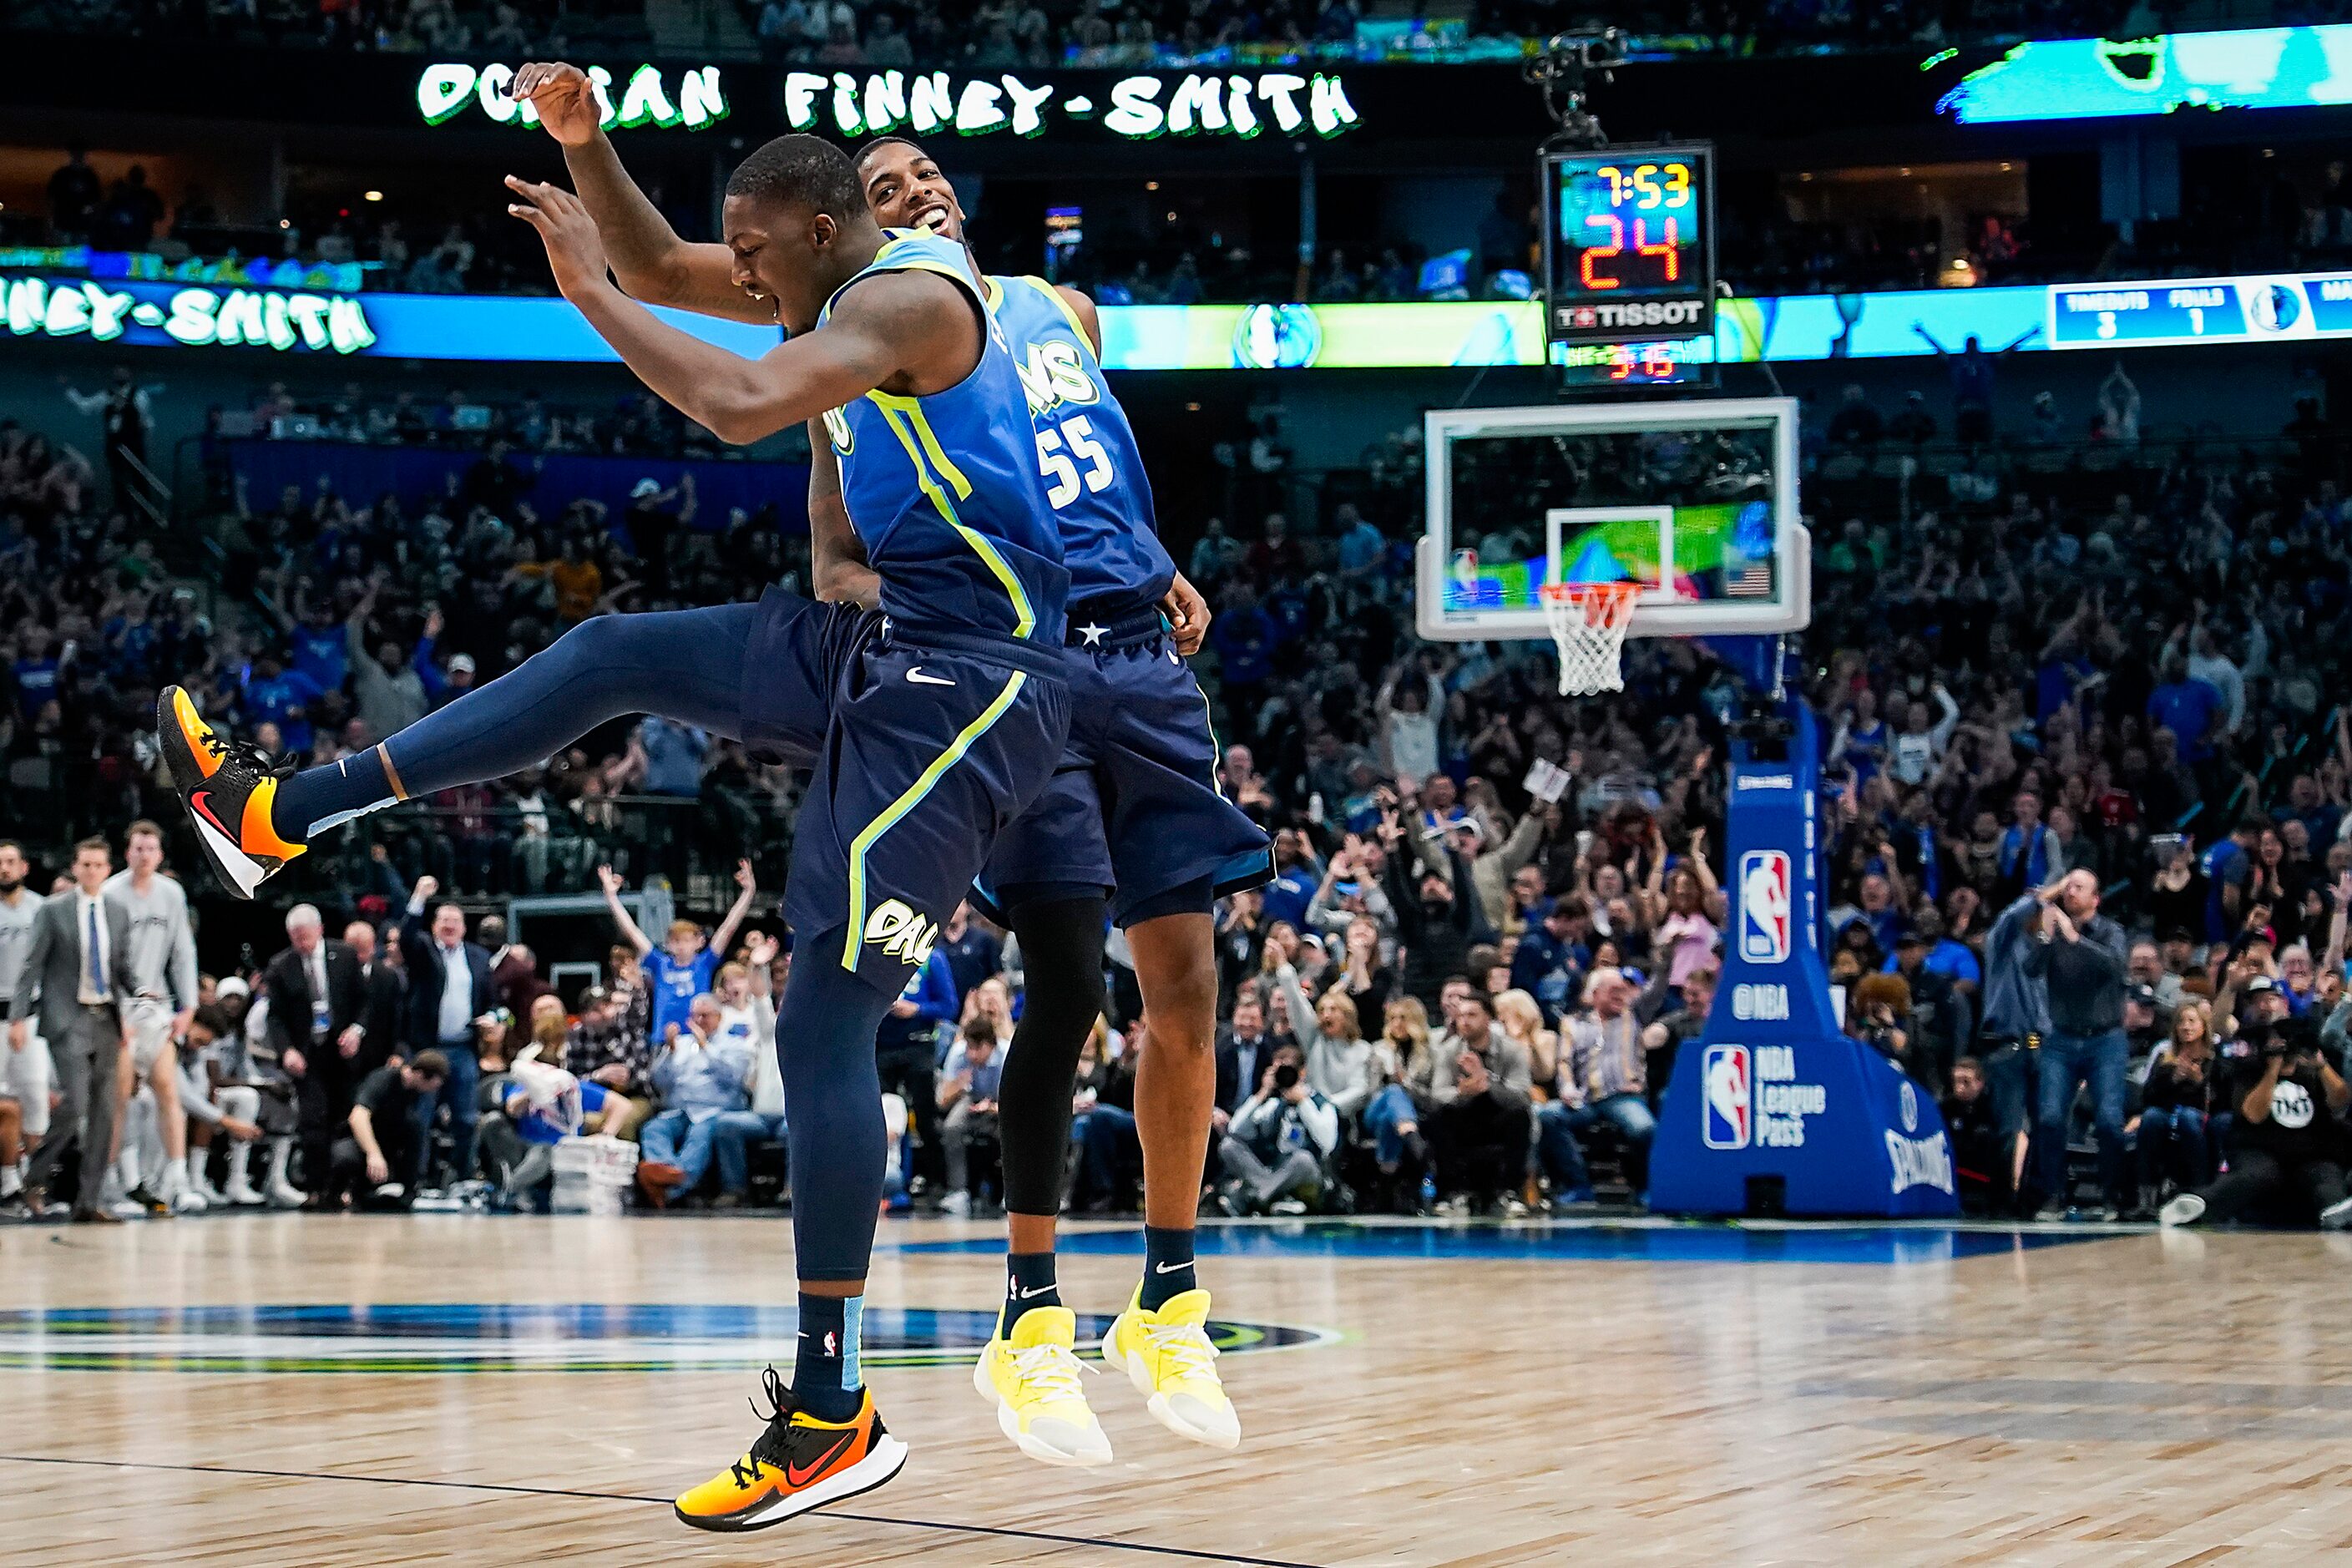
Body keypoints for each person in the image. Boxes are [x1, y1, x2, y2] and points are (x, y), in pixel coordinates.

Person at [231, 106, 1060, 1530]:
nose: (732, 276)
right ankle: (280, 812)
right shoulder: (824, 282)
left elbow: (733, 399)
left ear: (817, 231)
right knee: (613, 652)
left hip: (968, 685)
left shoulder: (913, 294)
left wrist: (589, 301)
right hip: (877, 637)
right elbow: (668, 263)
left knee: (822, 1017)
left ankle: (828, 1410)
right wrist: (586, 143)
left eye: (753, 254)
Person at [6, 837, 133, 1222]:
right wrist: (17, 1016)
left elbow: (121, 967)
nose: (92, 871)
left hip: (106, 1017)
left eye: (99, 865)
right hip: (67, 1015)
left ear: (108, 870)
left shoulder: (117, 910)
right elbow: (32, 966)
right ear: (75, 869)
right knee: (74, 1104)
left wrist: (140, 993)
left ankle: (88, 1201)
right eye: (85, 865)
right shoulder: (53, 910)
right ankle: (33, 1175)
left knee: (104, 1113)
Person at [2163, 979, 2352, 1230]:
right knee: (2252, 1176)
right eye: (2278, 1037)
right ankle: (2196, 1206)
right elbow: (2253, 1114)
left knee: (2325, 1175)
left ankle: (2335, 1210)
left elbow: (2340, 1100)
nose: (2285, 1043)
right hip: (2260, 1148)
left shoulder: (2311, 1064)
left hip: (2311, 1151)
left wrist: (2320, 1065)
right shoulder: (2250, 1063)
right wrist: (2273, 1069)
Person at [103, 820, 202, 1213]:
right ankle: (117, 1182)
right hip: (121, 1008)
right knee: (120, 1096)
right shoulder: (110, 893)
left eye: (151, 849)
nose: (144, 855)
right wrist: (114, 1011)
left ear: (160, 855)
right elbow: (104, 962)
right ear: (127, 853)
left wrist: (189, 1006)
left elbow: (183, 952)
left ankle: (176, 1180)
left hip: (158, 1008)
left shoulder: (172, 893)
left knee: (167, 1088)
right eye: (137, 848)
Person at [2023, 871, 2131, 1220]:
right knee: (2051, 1117)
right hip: (2061, 1037)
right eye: (2067, 886)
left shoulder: (2111, 932)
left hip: (2106, 1039)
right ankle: (2052, 1195)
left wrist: (2074, 939)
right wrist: (2046, 936)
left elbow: (2115, 968)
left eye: (2079, 887)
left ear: (2095, 899)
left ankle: (2111, 1195)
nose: (2070, 892)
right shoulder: (2054, 932)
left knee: (2109, 1121)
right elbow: (2030, 969)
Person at [264, 903, 368, 1208]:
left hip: (342, 1052)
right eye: (296, 938)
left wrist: (357, 1030)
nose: (302, 944)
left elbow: (364, 1001)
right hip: (307, 1055)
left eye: (306, 937)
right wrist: (286, 1050)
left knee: (346, 1118)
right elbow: (275, 1017)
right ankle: (315, 1187)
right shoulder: (281, 966)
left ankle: (347, 1186)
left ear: (320, 931)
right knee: (312, 1121)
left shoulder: (345, 957)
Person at [395, 877, 498, 1186]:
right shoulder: (424, 949)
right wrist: (419, 898)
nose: (450, 925)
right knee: (422, 1117)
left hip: (463, 1047)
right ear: (435, 925)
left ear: (465, 927)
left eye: (456, 921)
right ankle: (419, 1179)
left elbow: (494, 1002)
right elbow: (405, 939)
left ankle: (462, 1176)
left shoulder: (479, 958)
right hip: (428, 1049)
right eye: (444, 920)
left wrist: (493, 1018)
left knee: (466, 1119)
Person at [598, 860, 758, 1046]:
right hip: (664, 1041)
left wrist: (748, 892)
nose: (681, 946)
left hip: (697, 1038)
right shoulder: (660, 963)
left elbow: (728, 928)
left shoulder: (704, 962)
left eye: (687, 940)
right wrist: (611, 896)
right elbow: (631, 931)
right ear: (668, 944)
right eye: (675, 941)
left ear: (699, 942)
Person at [329, 1051, 450, 1209]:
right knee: (345, 1157)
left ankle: (407, 1192)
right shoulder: (383, 1080)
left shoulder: (413, 1091)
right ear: (421, 1075)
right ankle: (336, 1193)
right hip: (359, 1141)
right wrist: (374, 1154)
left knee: (416, 1128)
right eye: (433, 1084)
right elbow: (358, 1117)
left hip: (387, 1142)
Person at [935, 1014, 1004, 1216]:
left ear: (991, 1045)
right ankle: (958, 1191)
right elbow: (942, 1100)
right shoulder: (959, 1054)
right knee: (952, 1127)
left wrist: (993, 1107)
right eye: (969, 1047)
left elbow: (1021, 1101)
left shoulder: (1006, 1054)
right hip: (970, 1100)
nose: (972, 1054)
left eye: (978, 1048)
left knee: (1013, 1130)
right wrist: (959, 1085)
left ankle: (1011, 1192)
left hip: (1002, 1104)